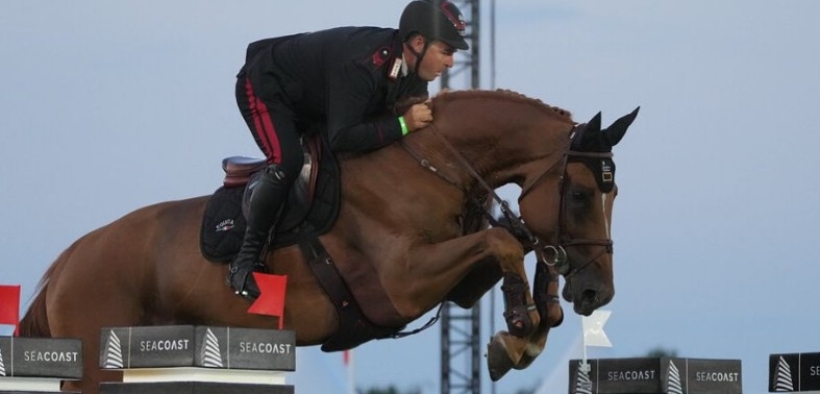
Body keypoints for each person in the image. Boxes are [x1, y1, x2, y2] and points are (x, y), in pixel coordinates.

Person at [227, 0, 470, 300]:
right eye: (446, 51)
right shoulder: (363, 65)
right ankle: (244, 263)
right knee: (288, 161)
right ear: (419, 43)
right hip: (266, 87)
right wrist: (403, 125)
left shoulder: (413, 76)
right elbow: (343, 136)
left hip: (315, 98)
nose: (451, 63)